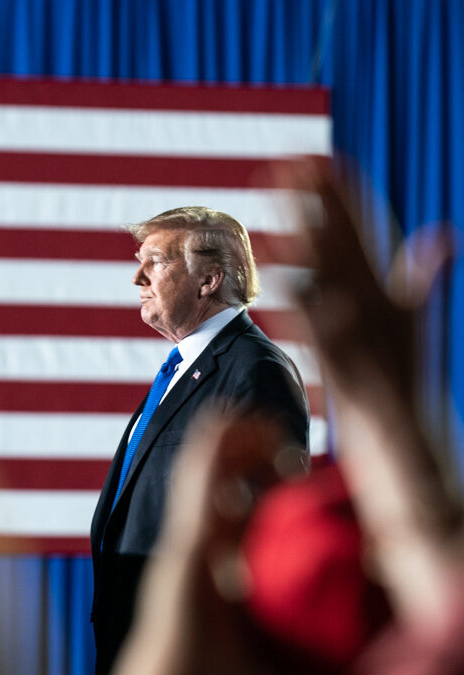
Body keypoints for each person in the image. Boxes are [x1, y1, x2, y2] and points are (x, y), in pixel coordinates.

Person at [89, 206, 310, 675]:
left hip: (195, 647)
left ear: (209, 280)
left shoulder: (256, 370)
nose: (137, 278)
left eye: (156, 262)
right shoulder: (180, 370)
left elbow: (264, 531)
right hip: (143, 637)